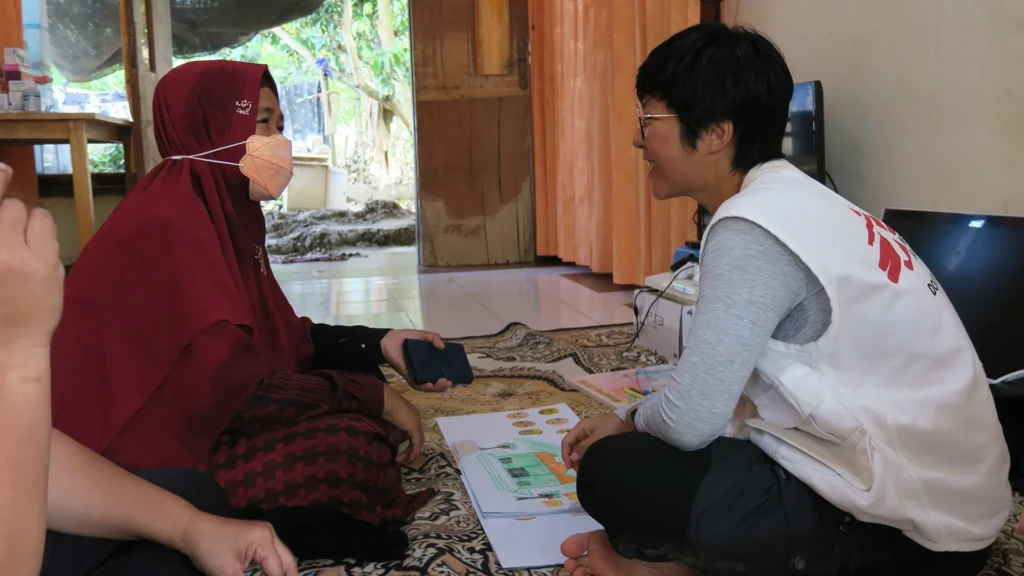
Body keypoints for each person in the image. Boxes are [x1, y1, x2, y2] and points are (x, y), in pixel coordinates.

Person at [560, 23, 1011, 576]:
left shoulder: (753, 226)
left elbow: (689, 421)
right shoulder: (802, 202)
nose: (637, 139)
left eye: (648, 120)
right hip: (948, 512)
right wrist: (634, 416)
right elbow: (725, 392)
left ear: (716, 132)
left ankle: (673, 569)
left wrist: (628, 424)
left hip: (911, 542)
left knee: (613, 471)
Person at [49, 61, 450, 527]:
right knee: (350, 455)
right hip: (133, 457)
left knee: (360, 397)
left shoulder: (222, 213)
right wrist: (372, 396)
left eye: (280, 126)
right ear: (209, 126)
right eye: (260, 122)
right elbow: (233, 389)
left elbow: (278, 337)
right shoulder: (168, 227)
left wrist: (379, 341)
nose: (278, 142)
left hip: (205, 415)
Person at [0, 162, 298, 576]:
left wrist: (191, 528)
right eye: (259, 120)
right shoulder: (171, 217)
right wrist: (20, 355)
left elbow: (22, 450)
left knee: (194, 504)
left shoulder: (236, 220)